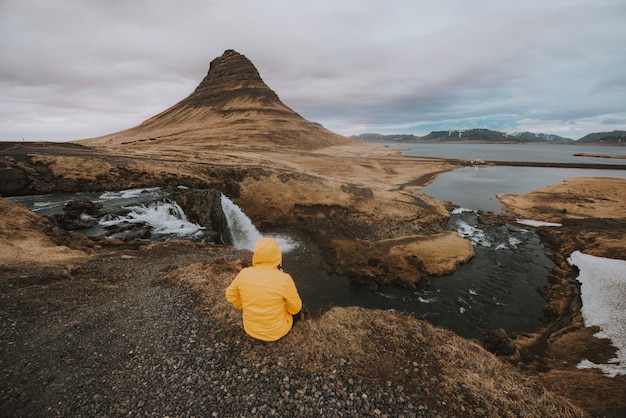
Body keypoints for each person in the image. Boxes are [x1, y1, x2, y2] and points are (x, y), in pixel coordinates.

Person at [226, 237, 303, 342]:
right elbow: (295, 309)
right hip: (277, 331)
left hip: (250, 329)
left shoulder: (244, 273)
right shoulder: (284, 279)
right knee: (297, 311)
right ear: (278, 256)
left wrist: (244, 305)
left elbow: (230, 295)